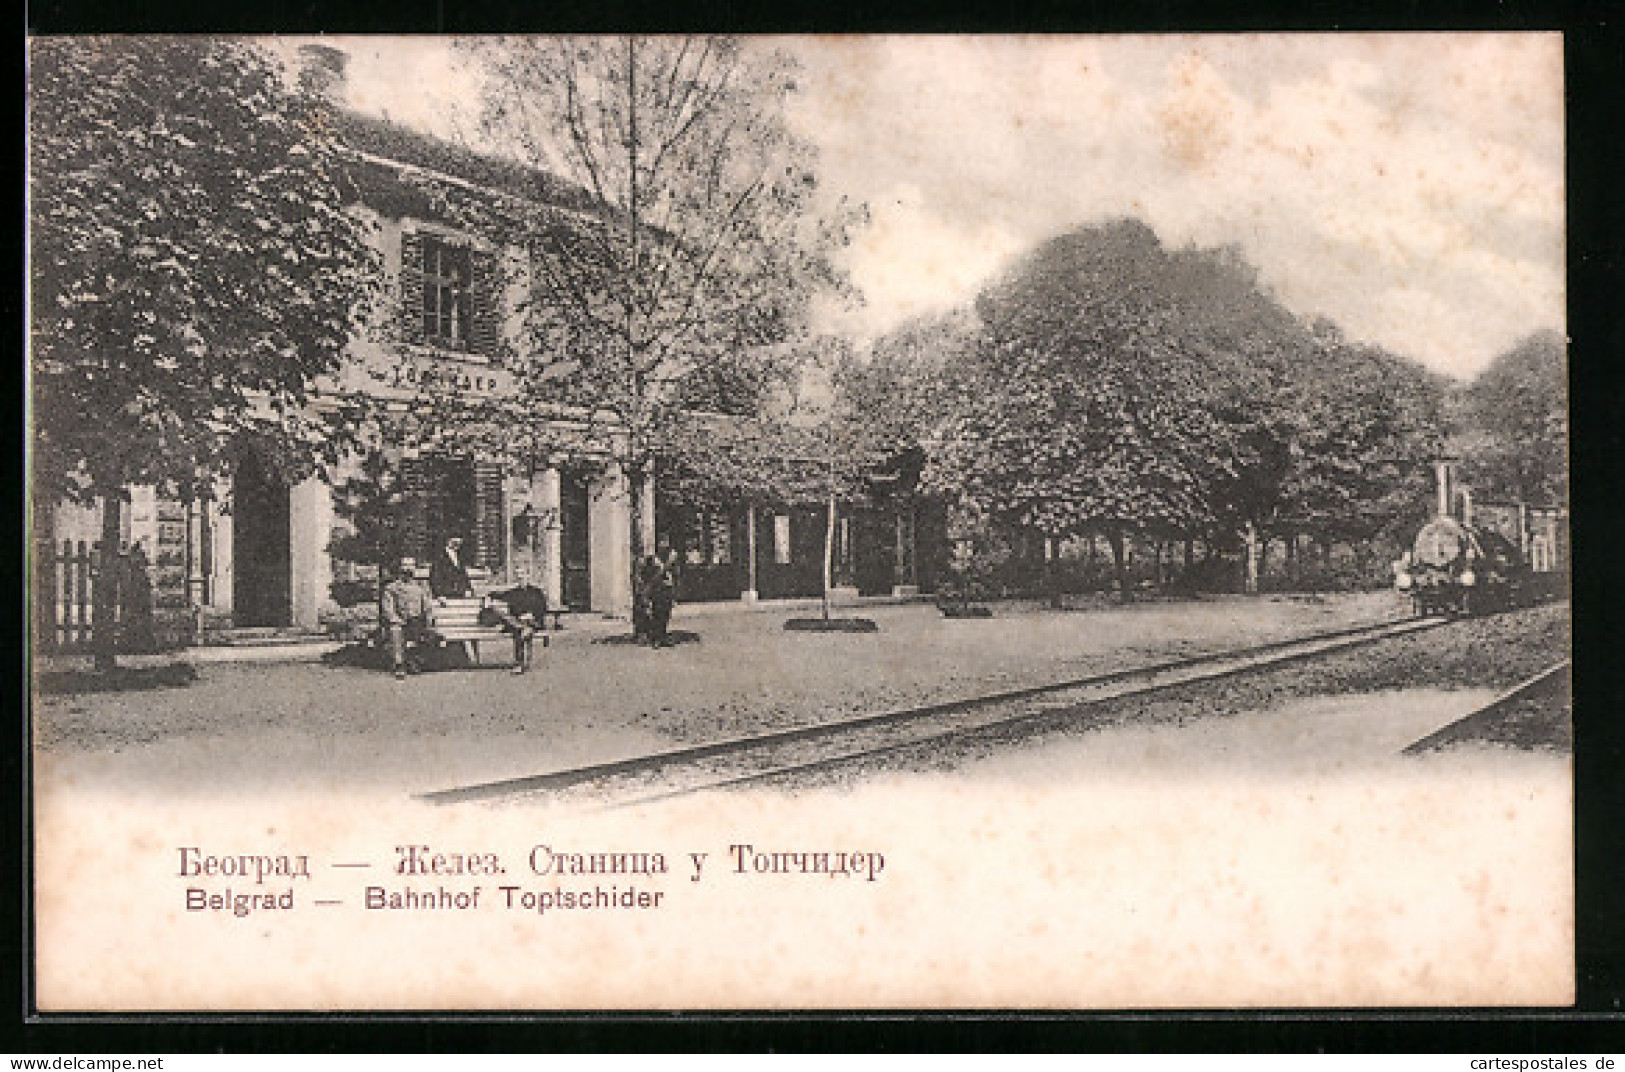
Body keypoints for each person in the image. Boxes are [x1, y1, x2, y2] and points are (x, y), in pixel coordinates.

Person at [380, 557, 435, 679]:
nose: (408, 568)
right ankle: (399, 665)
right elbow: (388, 608)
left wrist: (428, 619)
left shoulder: (421, 587)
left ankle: (414, 661)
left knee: (424, 632)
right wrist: (396, 619)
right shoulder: (391, 588)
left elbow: (427, 606)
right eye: (405, 565)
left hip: (417, 621)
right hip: (400, 620)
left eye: (411, 565)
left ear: (415, 568)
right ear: (400, 568)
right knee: (396, 629)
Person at [483, 575, 549, 674]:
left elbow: (542, 608)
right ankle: (520, 662)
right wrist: (488, 598)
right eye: (519, 578)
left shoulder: (536, 592)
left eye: (523, 577)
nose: (521, 580)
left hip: (533, 621)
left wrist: (531, 615)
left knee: (519, 630)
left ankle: (519, 664)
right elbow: (497, 595)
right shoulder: (514, 592)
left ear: (528, 577)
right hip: (517, 623)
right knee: (516, 629)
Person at [644, 540, 681, 648]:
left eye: (666, 543)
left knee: (666, 613)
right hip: (657, 589)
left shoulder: (672, 558)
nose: (664, 545)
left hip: (668, 588)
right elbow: (648, 574)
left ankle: (663, 635)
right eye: (661, 543)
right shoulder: (652, 559)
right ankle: (656, 638)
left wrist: (675, 589)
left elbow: (676, 573)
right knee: (657, 613)